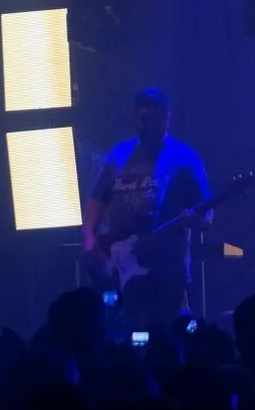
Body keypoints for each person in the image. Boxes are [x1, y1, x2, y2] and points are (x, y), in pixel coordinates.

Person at [83, 88, 211, 327]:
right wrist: (89, 236)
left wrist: (196, 220)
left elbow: (207, 215)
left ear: (167, 118)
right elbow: (97, 200)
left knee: (164, 333)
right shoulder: (118, 155)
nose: (149, 126)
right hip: (119, 265)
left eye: (155, 120)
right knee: (118, 332)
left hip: (165, 271)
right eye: (144, 120)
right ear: (135, 118)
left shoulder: (185, 158)